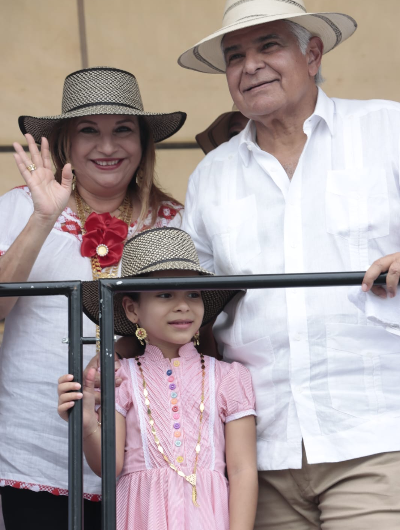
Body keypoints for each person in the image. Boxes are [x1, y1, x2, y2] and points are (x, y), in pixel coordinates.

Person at [178, 1, 400, 528]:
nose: (250, 65)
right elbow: (188, 305)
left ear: (314, 54)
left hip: (375, 434)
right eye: (235, 56)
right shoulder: (211, 176)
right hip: (261, 454)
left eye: (269, 46)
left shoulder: (387, 128)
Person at [0, 66, 186, 530]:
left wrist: (119, 350)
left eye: (123, 130)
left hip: (148, 454)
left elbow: (194, 329)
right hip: (35, 452)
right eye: (89, 131)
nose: (107, 147)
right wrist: (44, 217)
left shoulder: (175, 222)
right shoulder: (17, 208)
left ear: (143, 143)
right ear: (66, 143)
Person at [57, 227, 258, 530]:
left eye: (193, 293)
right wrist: (87, 425)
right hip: (140, 517)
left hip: (210, 519)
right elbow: (109, 467)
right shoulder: (120, 376)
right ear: (131, 308)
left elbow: (243, 470)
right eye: (165, 293)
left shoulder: (229, 376)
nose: (183, 305)